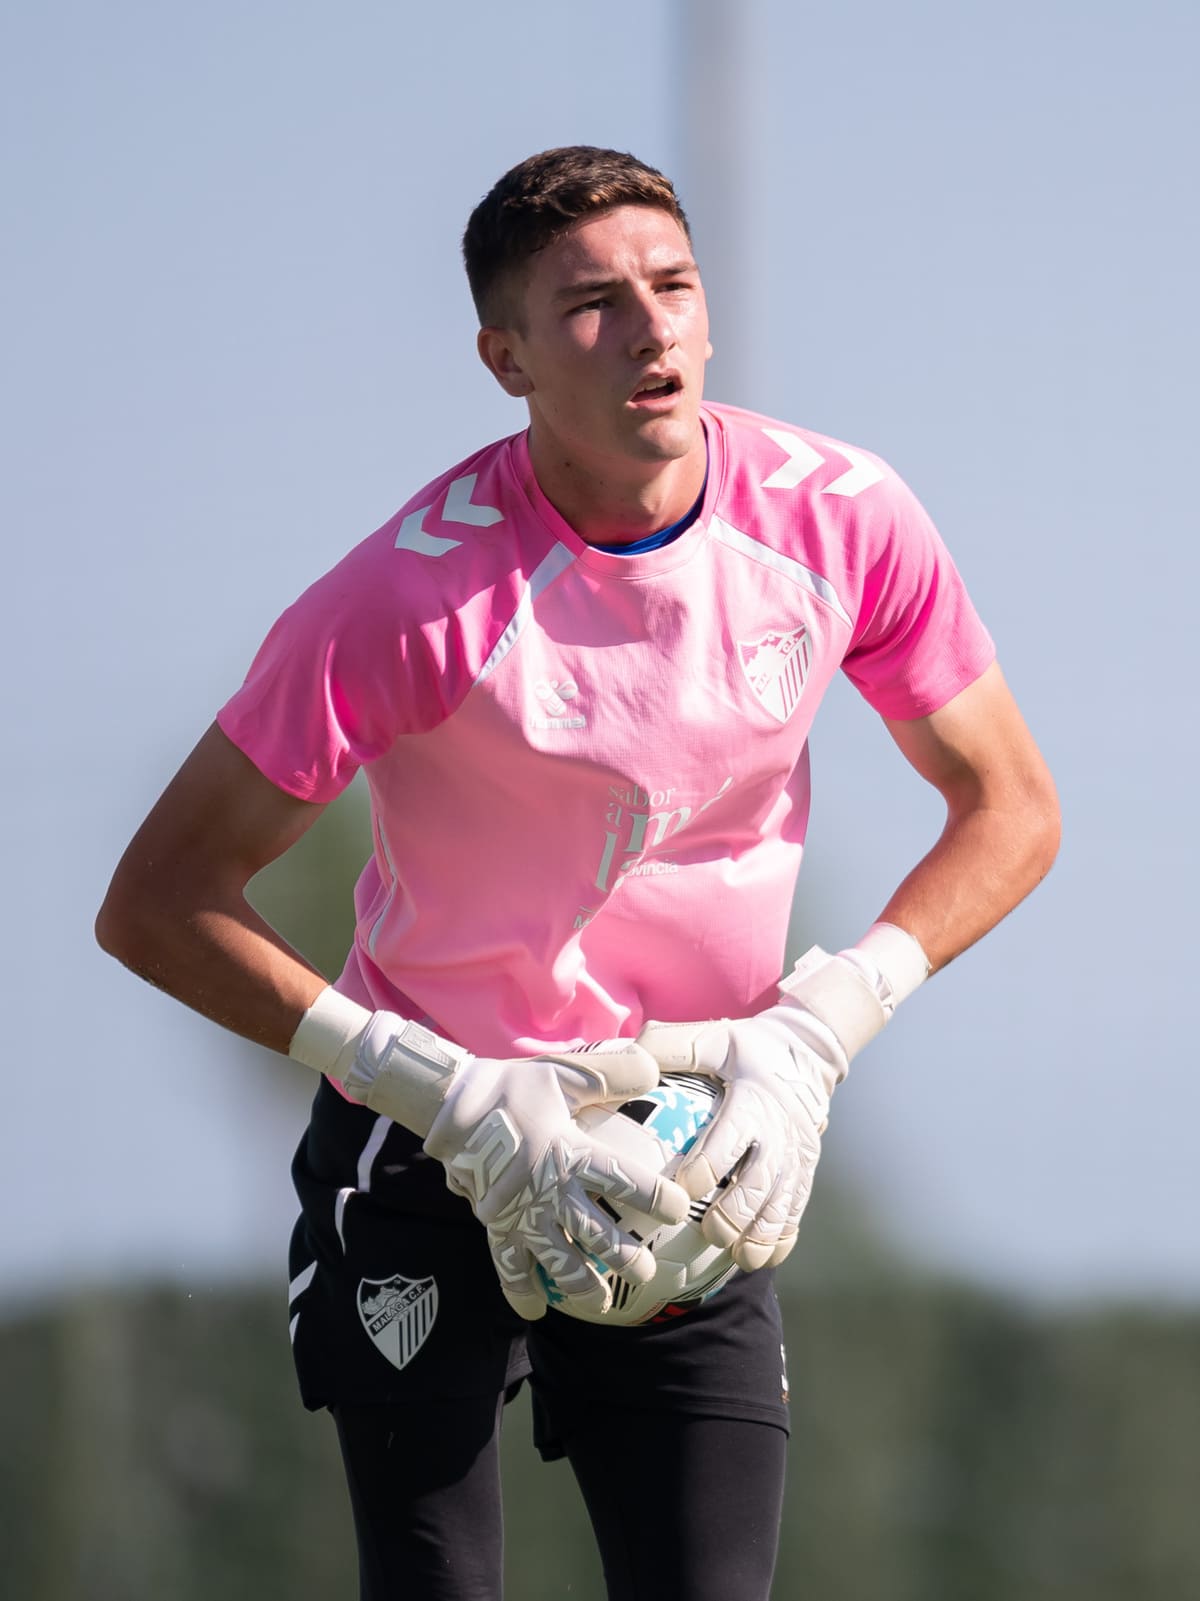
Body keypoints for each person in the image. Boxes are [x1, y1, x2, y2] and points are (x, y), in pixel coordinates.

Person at [96, 145, 1060, 1600]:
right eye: (595, 304)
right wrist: (447, 1091)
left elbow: (1011, 806)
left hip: (699, 1144)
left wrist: (817, 1033)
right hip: (431, 1147)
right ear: (505, 356)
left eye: (673, 285)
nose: (653, 328)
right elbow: (158, 899)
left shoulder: (843, 519)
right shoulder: (404, 601)